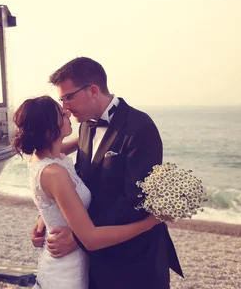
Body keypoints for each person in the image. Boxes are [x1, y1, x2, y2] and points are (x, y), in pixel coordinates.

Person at [30, 57, 183, 289]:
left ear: (92, 90)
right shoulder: (84, 125)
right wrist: (50, 215)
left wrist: (79, 237)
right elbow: (79, 178)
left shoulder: (140, 127)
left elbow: (135, 200)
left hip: (134, 262)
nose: (65, 107)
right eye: (62, 100)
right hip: (97, 263)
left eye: (68, 97)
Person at [13, 95, 163, 289]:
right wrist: (151, 221)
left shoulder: (45, 156)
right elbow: (90, 239)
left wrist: (46, 216)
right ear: (50, 132)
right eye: (60, 113)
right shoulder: (54, 173)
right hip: (66, 272)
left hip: (69, 263)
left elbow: (90, 143)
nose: (66, 111)